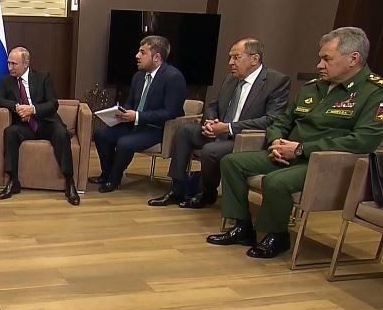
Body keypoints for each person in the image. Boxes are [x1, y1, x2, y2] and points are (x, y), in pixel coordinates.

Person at [207, 27, 383, 258]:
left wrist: (301, 149)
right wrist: (275, 141)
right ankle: (242, 227)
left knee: (276, 181)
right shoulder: (314, 87)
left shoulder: (374, 92)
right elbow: (282, 120)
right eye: (320, 58)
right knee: (231, 162)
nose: (319, 65)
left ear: (353, 59)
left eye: (327, 59)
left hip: (324, 163)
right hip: (288, 153)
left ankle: (277, 235)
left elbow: (362, 141)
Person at [148, 38, 290, 208]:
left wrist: (228, 128)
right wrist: (210, 121)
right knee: (185, 131)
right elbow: (213, 105)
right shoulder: (231, 78)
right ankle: (176, 189)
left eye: (236, 57)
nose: (230, 62)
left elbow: (271, 119)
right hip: (218, 131)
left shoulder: (276, 81)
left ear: (255, 59)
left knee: (211, 150)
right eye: (230, 57)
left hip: (243, 139)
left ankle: (206, 193)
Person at [92, 35, 186, 192]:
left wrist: (137, 116)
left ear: (157, 57)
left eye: (142, 52)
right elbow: (131, 102)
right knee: (101, 134)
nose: (137, 56)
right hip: (133, 123)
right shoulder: (138, 76)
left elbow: (170, 112)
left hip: (157, 128)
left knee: (125, 143)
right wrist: (122, 112)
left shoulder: (173, 77)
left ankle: (114, 179)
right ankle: (106, 174)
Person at [0, 46, 79, 206]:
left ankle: (69, 182)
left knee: (61, 133)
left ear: (25, 63)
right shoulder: (7, 81)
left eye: (14, 64)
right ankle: (13, 181)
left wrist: (32, 109)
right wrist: (16, 107)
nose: (10, 67)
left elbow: (53, 104)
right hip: (25, 126)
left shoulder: (43, 77)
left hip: (46, 122)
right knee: (10, 132)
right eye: (8, 63)